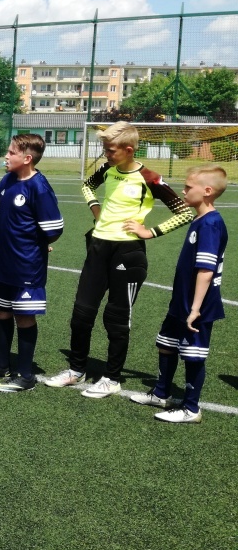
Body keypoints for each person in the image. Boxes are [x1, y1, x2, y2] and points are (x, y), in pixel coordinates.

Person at [45, 122, 194, 398]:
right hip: (98, 247)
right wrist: (96, 209)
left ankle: (112, 378)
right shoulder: (107, 169)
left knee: (115, 318)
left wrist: (150, 231)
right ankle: (76, 370)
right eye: (104, 149)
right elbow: (87, 186)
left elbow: (185, 213)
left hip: (128, 253)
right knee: (81, 314)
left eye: (110, 150)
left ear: (128, 150)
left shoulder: (150, 178)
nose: (106, 154)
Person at [128, 166, 227, 423]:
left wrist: (195, 309)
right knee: (166, 344)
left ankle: (191, 409)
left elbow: (206, 270)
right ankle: (162, 393)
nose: (183, 191)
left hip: (198, 305)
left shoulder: (211, 224)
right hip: (181, 301)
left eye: (188, 187)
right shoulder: (199, 219)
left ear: (207, 191)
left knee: (193, 355)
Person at [0, 134, 64, 391]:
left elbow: (55, 228)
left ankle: (25, 375)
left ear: (27, 158)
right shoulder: (9, 179)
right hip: (5, 262)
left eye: (11, 152)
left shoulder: (39, 187)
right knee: (1, 312)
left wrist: (39, 244)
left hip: (27, 265)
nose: (6, 156)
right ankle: (0, 364)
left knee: (24, 317)